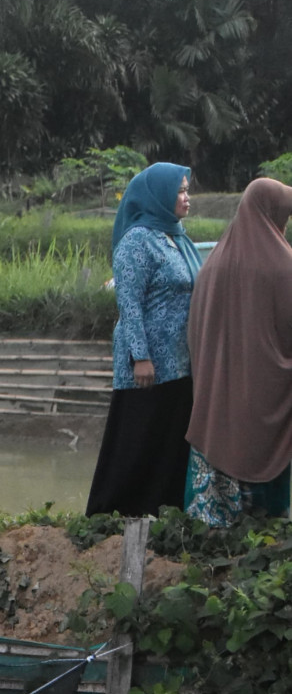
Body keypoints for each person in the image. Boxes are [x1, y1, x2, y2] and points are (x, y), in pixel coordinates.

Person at [85, 162, 200, 518]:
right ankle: (116, 514)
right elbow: (129, 304)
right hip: (148, 363)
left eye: (186, 190)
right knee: (138, 437)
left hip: (180, 363)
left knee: (169, 440)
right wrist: (141, 356)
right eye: (180, 191)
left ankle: (162, 512)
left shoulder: (178, 237)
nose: (186, 198)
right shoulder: (138, 241)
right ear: (159, 196)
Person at [184, 177, 292, 526]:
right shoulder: (284, 267)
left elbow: (196, 331)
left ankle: (211, 533)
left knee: (218, 449)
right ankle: (266, 531)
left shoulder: (212, 264)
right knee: (266, 511)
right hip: (263, 392)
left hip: (216, 393)